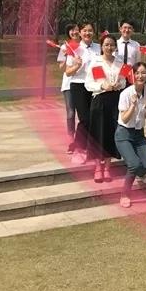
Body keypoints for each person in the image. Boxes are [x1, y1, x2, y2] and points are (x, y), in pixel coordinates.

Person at [114, 62, 146, 208]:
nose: (140, 76)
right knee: (134, 164)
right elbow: (125, 119)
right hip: (124, 134)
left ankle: (140, 173)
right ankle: (125, 193)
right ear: (132, 75)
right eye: (137, 73)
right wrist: (133, 105)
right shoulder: (126, 94)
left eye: (143, 73)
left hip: (139, 134)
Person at [84, 34, 126, 182]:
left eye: (112, 45)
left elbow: (124, 81)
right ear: (101, 46)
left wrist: (118, 84)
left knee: (110, 133)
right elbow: (88, 83)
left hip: (115, 101)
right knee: (98, 133)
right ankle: (97, 168)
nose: (109, 47)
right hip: (100, 100)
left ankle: (107, 168)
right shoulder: (96, 62)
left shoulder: (120, 62)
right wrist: (102, 85)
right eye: (106, 44)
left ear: (115, 46)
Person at [65, 23, 100, 163]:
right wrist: (77, 65)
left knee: (94, 117)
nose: (87, 33)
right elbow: (68, 72)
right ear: (79, 33)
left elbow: (100, 68)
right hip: (79, 85)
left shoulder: (98, 47)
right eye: (84, 30)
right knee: (84, 118)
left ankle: (90, 148)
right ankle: (79, 148)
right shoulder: (74, 48)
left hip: (95, 86)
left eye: (90, 30)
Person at [57, 22, 80, 153]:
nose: (74, 32)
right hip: (69, 84)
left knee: (84, 114)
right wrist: (65, 55)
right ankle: (71, 141)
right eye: (71, 30)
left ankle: (83, 140)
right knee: (71, 113)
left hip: (83, 83)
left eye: (76, 29)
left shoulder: (84, 46)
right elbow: (61, 67)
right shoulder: (64, 47)